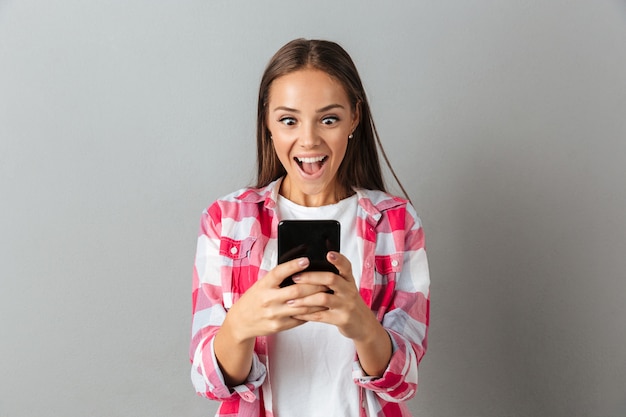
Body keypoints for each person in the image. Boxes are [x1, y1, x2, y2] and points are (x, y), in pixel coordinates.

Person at [190, 38, 430, 417]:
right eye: (289, 120)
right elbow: (209, 382)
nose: (309, 140)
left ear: (355, 118)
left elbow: (403, 383)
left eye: (329, 119)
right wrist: (239, 326)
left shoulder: (395, 223)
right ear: (267, 122)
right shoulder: (227, 220)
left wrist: (363, 326)